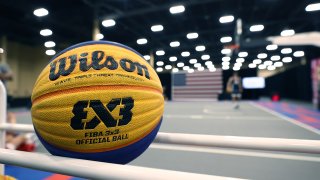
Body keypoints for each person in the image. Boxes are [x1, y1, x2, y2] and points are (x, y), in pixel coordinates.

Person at [0, 59, 35, 151]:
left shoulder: (3, 66)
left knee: (10, 118)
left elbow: (10, 76)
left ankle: (13, 142)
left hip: (2, 98)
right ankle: (12, 143)